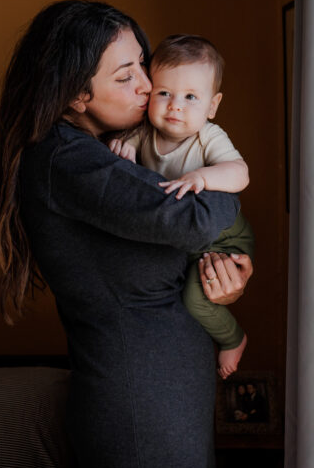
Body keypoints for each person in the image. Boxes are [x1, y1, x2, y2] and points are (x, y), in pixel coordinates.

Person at [0, 0, 254, 468]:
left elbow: (177, 241)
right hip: (139, 404)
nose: (150, 87)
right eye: (126, 76)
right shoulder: (69, 161)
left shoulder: (108, 151)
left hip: (161, 394)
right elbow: (197, 220)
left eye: (143, 67)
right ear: (74, 94)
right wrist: (223, 198)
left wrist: (222, 271)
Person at [108, 34, 254, 379]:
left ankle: (233, 338)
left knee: (196, 298)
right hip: (185, 240)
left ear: (212, 105)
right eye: (164, 93)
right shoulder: (142, 133)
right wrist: (121, 149)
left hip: (223, 240)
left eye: (191, 97)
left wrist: (203, 177)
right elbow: (121, 149)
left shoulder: (208, 136)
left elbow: (240, 173)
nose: (176, 105)